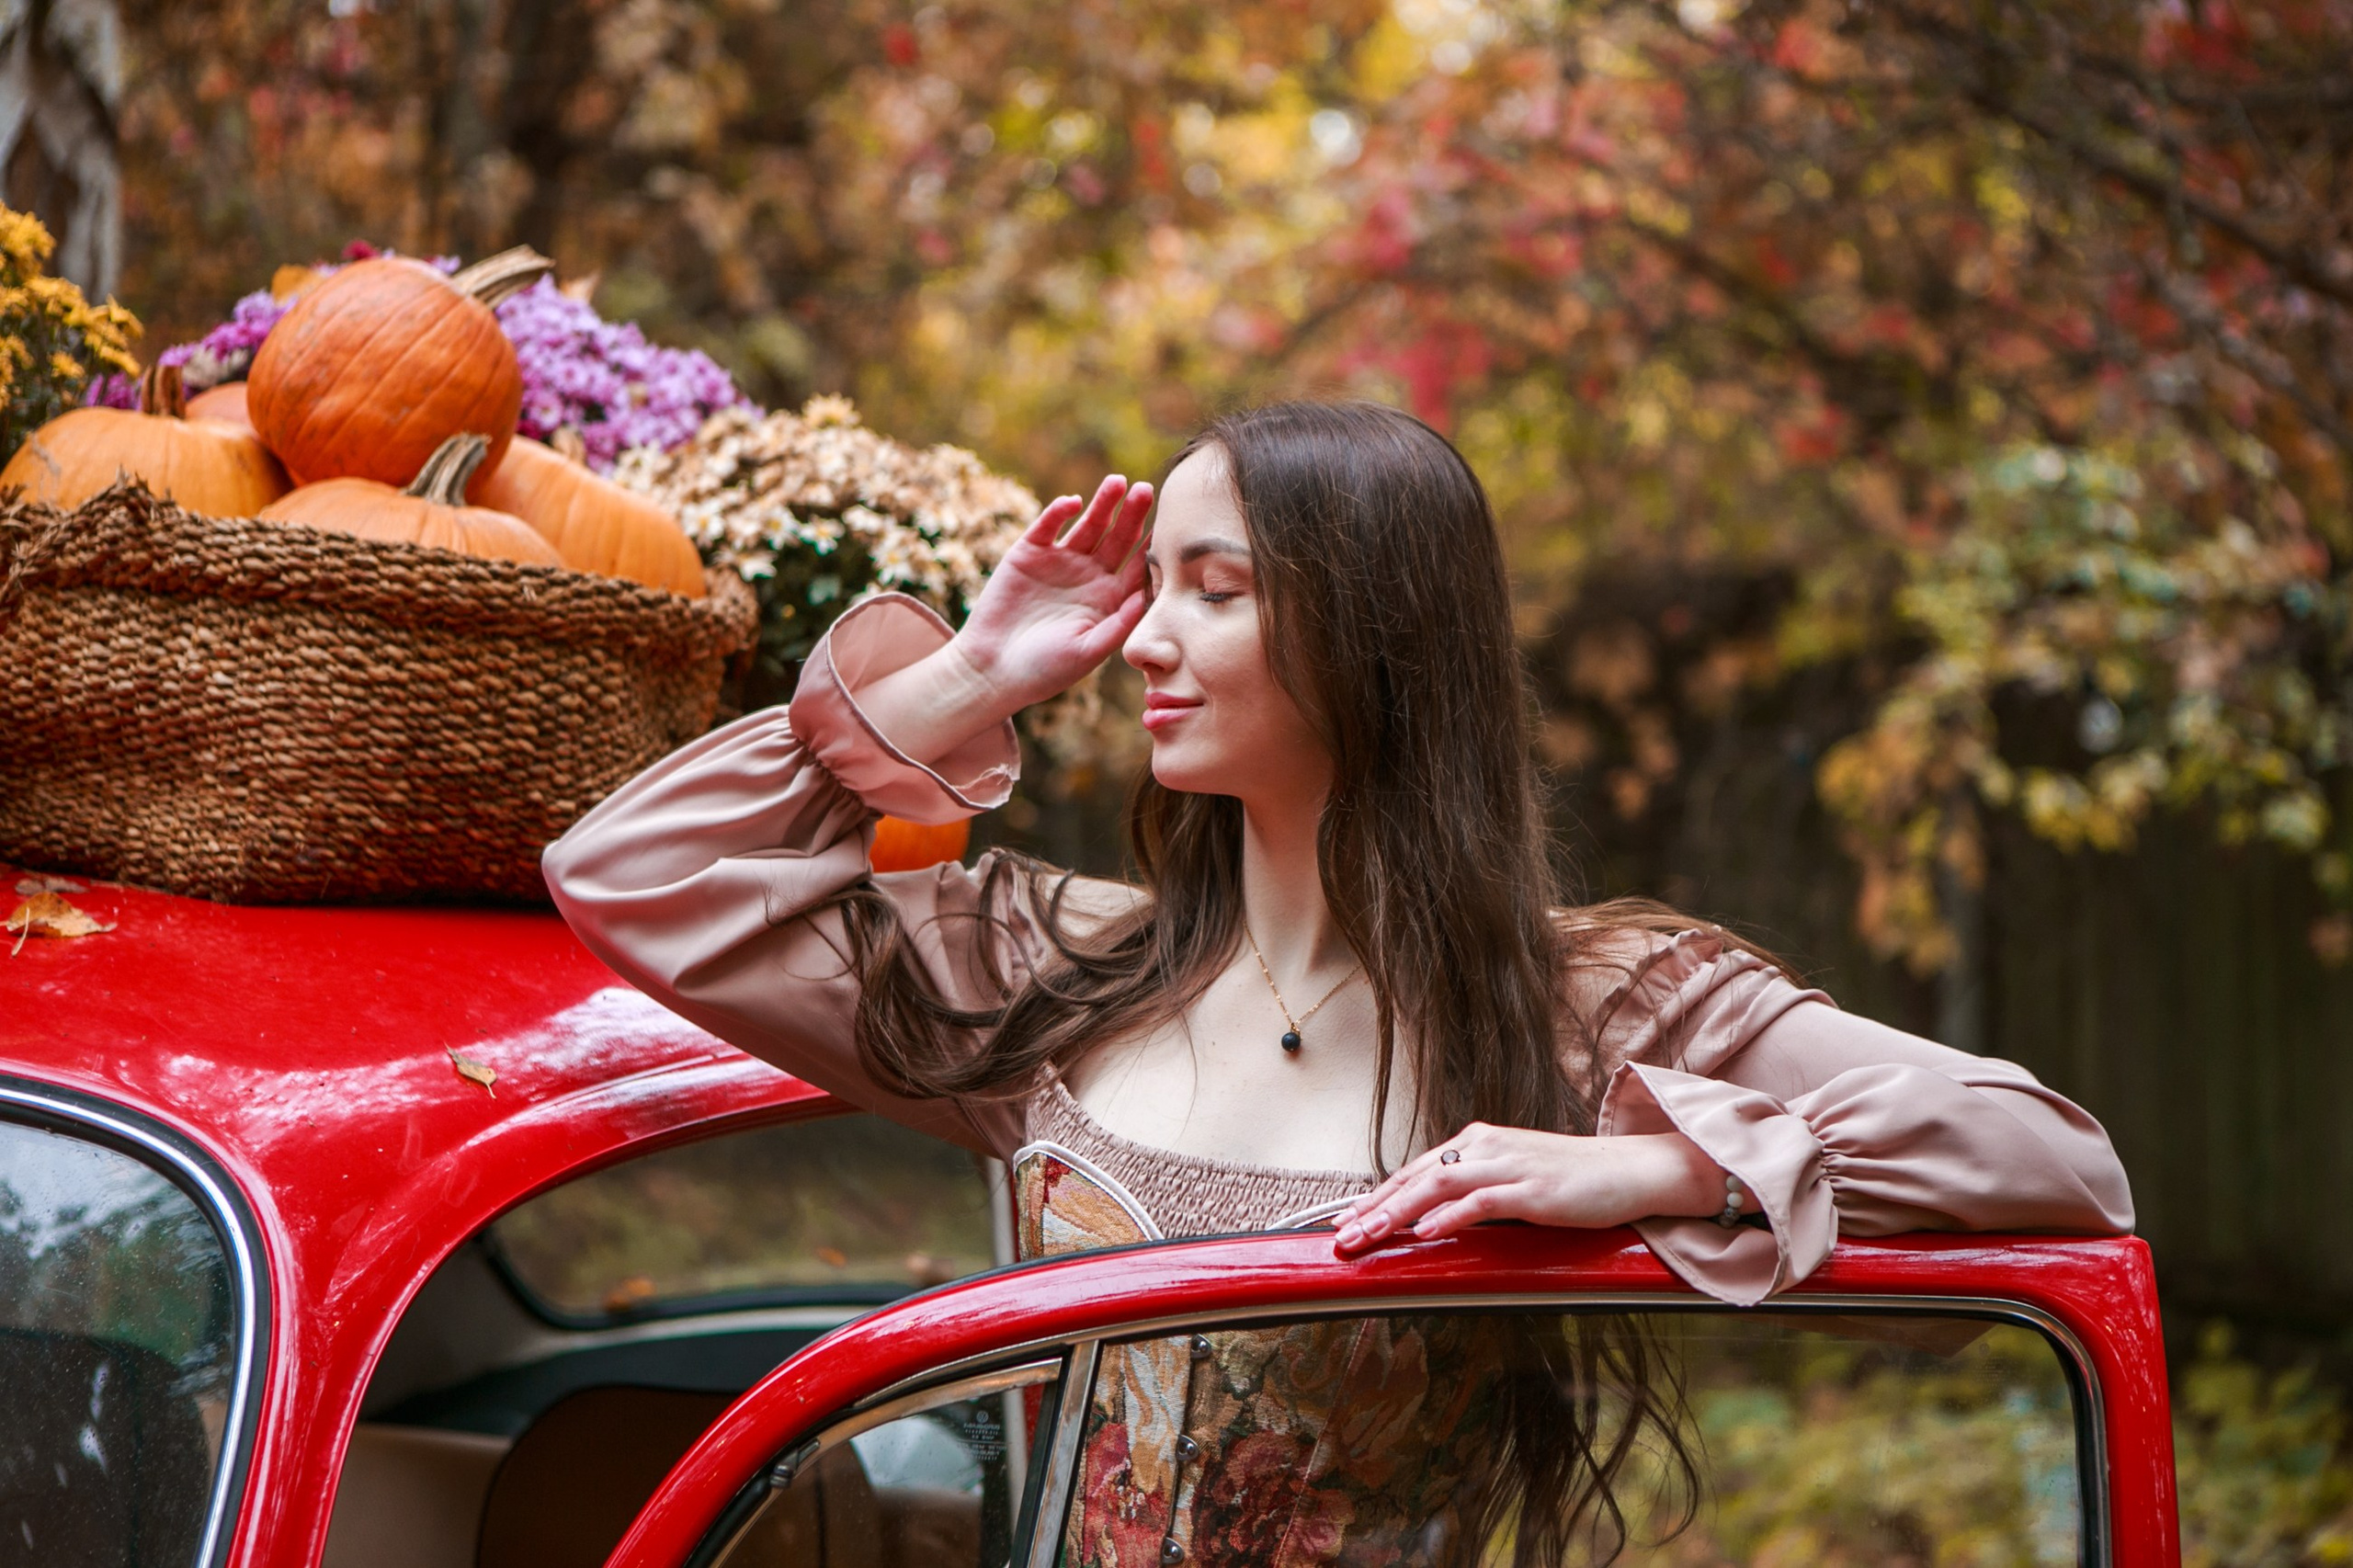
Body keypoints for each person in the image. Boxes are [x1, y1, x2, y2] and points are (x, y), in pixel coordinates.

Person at [545, 399, 2132, 1566]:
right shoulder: (1062, 969)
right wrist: (979, 668)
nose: (1148, 637)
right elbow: (634, 878)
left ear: (1374, 633)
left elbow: (2057, 1163)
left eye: (1214, 588)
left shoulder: (1594, 1010)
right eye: (1151, 585)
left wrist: (1641, 1165)